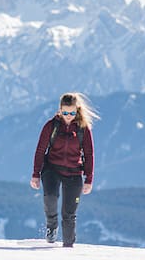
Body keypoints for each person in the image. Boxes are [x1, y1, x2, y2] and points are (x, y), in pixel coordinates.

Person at [30, 92, 98, 247]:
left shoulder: (83, 129)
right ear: (60, 110)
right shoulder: (51, 126)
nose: (68, 116)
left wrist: (89, 179)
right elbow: (40, 150)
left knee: (69, 214)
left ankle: (68, 247)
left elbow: (89, 154)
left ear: (77, 110)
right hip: (52, 169)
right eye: (65, 112)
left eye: (72, 112)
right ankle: (51, 227)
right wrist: (35, 174)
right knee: (51, 197)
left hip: (74, 173)